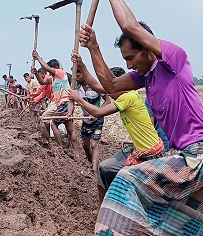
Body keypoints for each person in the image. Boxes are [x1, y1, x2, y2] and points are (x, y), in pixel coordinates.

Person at [79, 0, 203, 235]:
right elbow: (109, 85)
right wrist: (93, 48)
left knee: (126, 180)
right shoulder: (145, 78)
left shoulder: (173, 59)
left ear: (147, 49)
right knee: (190, 227)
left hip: (201, 158)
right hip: (183, 156)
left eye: (131, 57)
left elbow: (131, 27)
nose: (130, 64)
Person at [69, 64, 165, 206]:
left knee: (123, 180)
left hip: (150, 154)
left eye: (110, 87)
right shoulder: (124, 93)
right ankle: (104, 208)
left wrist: (78, 99)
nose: (108, 91)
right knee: (104, 169)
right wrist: (82, 63)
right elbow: (95, 85)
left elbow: (97, 112)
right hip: (139, 150)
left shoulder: (128, 97)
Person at [32, 51, 78, 156]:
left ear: (56, 67)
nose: (48, 73)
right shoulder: (52, 78)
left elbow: (47, 69)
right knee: (69, 128)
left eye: (50, 69)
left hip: (65, 103)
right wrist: (35, 73)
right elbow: (42, 82)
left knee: (54, 124)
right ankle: (75, 152)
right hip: (63, 104)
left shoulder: (60, 73)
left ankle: (60, 148)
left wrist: (38, 57)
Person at [73, 68, 110, 172]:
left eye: (78, 74)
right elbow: (71, 102)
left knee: (94, 144)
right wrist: (69, 113)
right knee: (85, 145)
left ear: (84, 73)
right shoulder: (76, 88)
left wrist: (98, 112)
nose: (76, 77)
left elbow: (108, 101)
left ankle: (94, 169)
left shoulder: (95, 86)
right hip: (86, 121)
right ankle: (91, 163)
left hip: (97, 120)